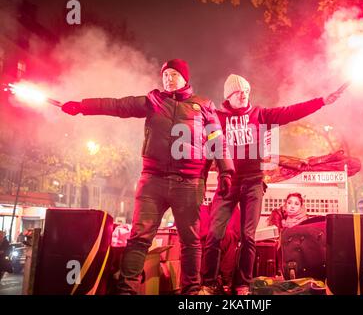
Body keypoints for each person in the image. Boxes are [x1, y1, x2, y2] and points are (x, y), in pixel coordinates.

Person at [61, 59, 234, 295]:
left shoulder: (203, 105)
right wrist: (83, 106)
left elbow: (216, 139)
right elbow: (118, 106)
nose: (168, 79)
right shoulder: (153, 101)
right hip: (153, 181)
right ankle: (127, 290)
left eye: (173, 74)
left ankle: (191, 291)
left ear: (185, 78)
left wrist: (226, 170)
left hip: (190, 182)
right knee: (139, 237)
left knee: (190, 240)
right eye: (165, 75)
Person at [201, 74, 345, 295]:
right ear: (228, 96)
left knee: (248, 236)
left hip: (252, 183)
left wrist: (322, 101)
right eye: (239, 92)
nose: (244, 95)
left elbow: (290, 112)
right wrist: (199, 179)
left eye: (247, 91)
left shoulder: (260, 115)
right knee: (214, 233)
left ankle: (242, 284)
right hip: (227, 183)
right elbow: (205, 149)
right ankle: (209, 283)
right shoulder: (217, 119)